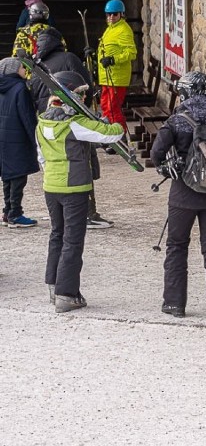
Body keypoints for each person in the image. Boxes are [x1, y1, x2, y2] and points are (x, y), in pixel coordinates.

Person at [36, 70, 125, 312]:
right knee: (73, 241)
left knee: (57, 235)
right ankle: (67, 294)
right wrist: (110, 122)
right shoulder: (75, 123)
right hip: (74, 187)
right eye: (80, 94)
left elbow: (41, 157)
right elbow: (112, 134)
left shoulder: (43, 121)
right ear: (68, 96)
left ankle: (54, 286)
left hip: (51, 187)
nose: (84, 99)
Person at [150, 71, 206, 321]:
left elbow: (156, 154)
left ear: (185, 93)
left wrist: (169, 166)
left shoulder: (177, 121)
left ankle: (175, 304)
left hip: (184, 193)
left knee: (177, 246)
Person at [30, 27, 114, 229]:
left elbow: (32, 93)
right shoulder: (68, 58)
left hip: (47, 119)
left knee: (54, 163)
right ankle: (88, 212)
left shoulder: (36, 64)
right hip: (70, 118)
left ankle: (60, 212)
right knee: (80, 162)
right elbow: (86, 84)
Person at [0, 58, 39, 228]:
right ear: (14, 69)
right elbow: (27, 116)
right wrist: (36, 138)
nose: (24, 70)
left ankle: (8, 211)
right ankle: (15, 213)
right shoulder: (20, 88)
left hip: (4, 139)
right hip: (18, 139)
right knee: (18, 177)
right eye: (22, 67)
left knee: (8, 176)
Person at [95, 0, 138, 135]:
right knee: (105, 107)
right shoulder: (110, 29)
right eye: (108, 14)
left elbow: (132, 53)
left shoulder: (124, 30)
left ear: (121, 14)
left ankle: (120, 135)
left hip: (117, 77)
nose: (111, 17)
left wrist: (113, 60)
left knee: (113, 108)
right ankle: (110, 134)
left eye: (114, 14)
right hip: (107, 76)